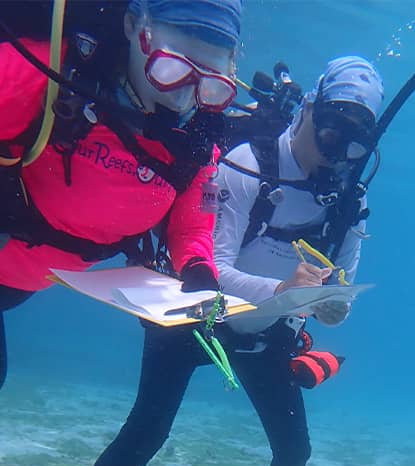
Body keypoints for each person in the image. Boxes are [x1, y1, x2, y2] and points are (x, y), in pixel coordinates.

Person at [71, 56, 385, 466]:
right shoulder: (247, 164)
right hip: (193, 318)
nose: (336, 156)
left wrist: (333, 307)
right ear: (310, 111)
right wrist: (282, 286)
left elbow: (338, 284)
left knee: (294, 450)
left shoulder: (347, 202)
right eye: (331, 136)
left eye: (353, 148)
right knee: (147, 430)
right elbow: (210, 266)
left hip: (263, 334)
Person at [0, 0, 242, 386]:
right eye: (172, 69)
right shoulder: (48, 75)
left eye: (209, 83)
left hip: (26, 281)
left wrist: (200, 272)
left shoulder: (197, 146)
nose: (182, 98)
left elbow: (192, 228)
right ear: (133, 26)